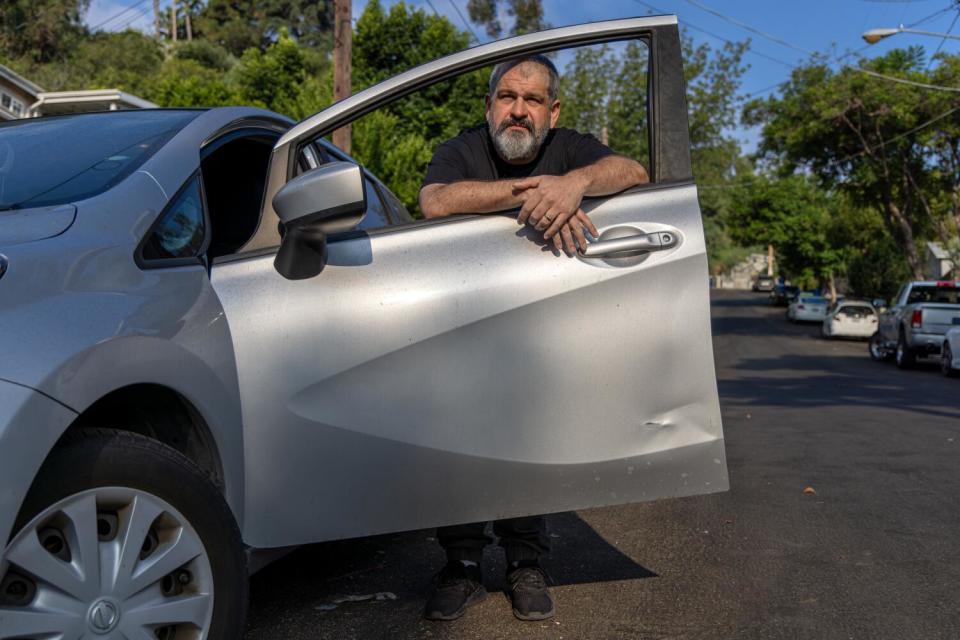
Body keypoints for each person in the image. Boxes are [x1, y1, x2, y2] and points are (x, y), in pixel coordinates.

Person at [418, 54, 649, 623]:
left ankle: (526, 562)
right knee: (464, 436)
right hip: (466, 320)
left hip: (544, 325)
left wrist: (575, 183)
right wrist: (537, 195)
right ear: (490, 103)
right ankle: (463, 565)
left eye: (533, 100)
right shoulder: (461, 148)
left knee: (528, 432)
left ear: (552, 110)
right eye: (507, 98)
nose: (518, 110)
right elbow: (435, 201)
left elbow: (634, 172)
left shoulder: (571, 148)